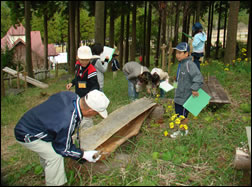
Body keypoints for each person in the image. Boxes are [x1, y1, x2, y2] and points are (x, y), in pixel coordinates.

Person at [14, 89, 110, 186]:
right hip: (27, 133)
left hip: (32, 122)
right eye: (97, 113)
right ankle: (55, 183)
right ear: (90, 110)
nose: (95, 115)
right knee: (54, 156)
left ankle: (48, 172)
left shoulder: (69, 96)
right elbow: (63, 149)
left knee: (49, 148)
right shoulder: (66, 120)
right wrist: (84, 155)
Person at [172, 42, 203, 137]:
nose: (177, 55)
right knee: (178, 113)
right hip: (178, 96)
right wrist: (175, 87)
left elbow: (198, 77)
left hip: (186, 96)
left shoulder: (190, 64)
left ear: (186, 53)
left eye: (180, 53)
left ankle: (183, 131)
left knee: (183, 115)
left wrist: (194, 89)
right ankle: (181, 130)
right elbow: (178, 79)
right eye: (176, 53)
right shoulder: (180, 64)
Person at [66, 45, 100, 130]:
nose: (84, 62)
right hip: (78, 95)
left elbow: (95, 85)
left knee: (86, 118)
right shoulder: (77, 66)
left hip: (87, 97)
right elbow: (77, 78)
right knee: (78, 113)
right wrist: (72, 83)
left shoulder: (91, 70)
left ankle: (88, 131)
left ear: (90, 59)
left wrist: (90, 97)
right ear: (78, 58)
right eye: (82, 60)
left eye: (87, 60)